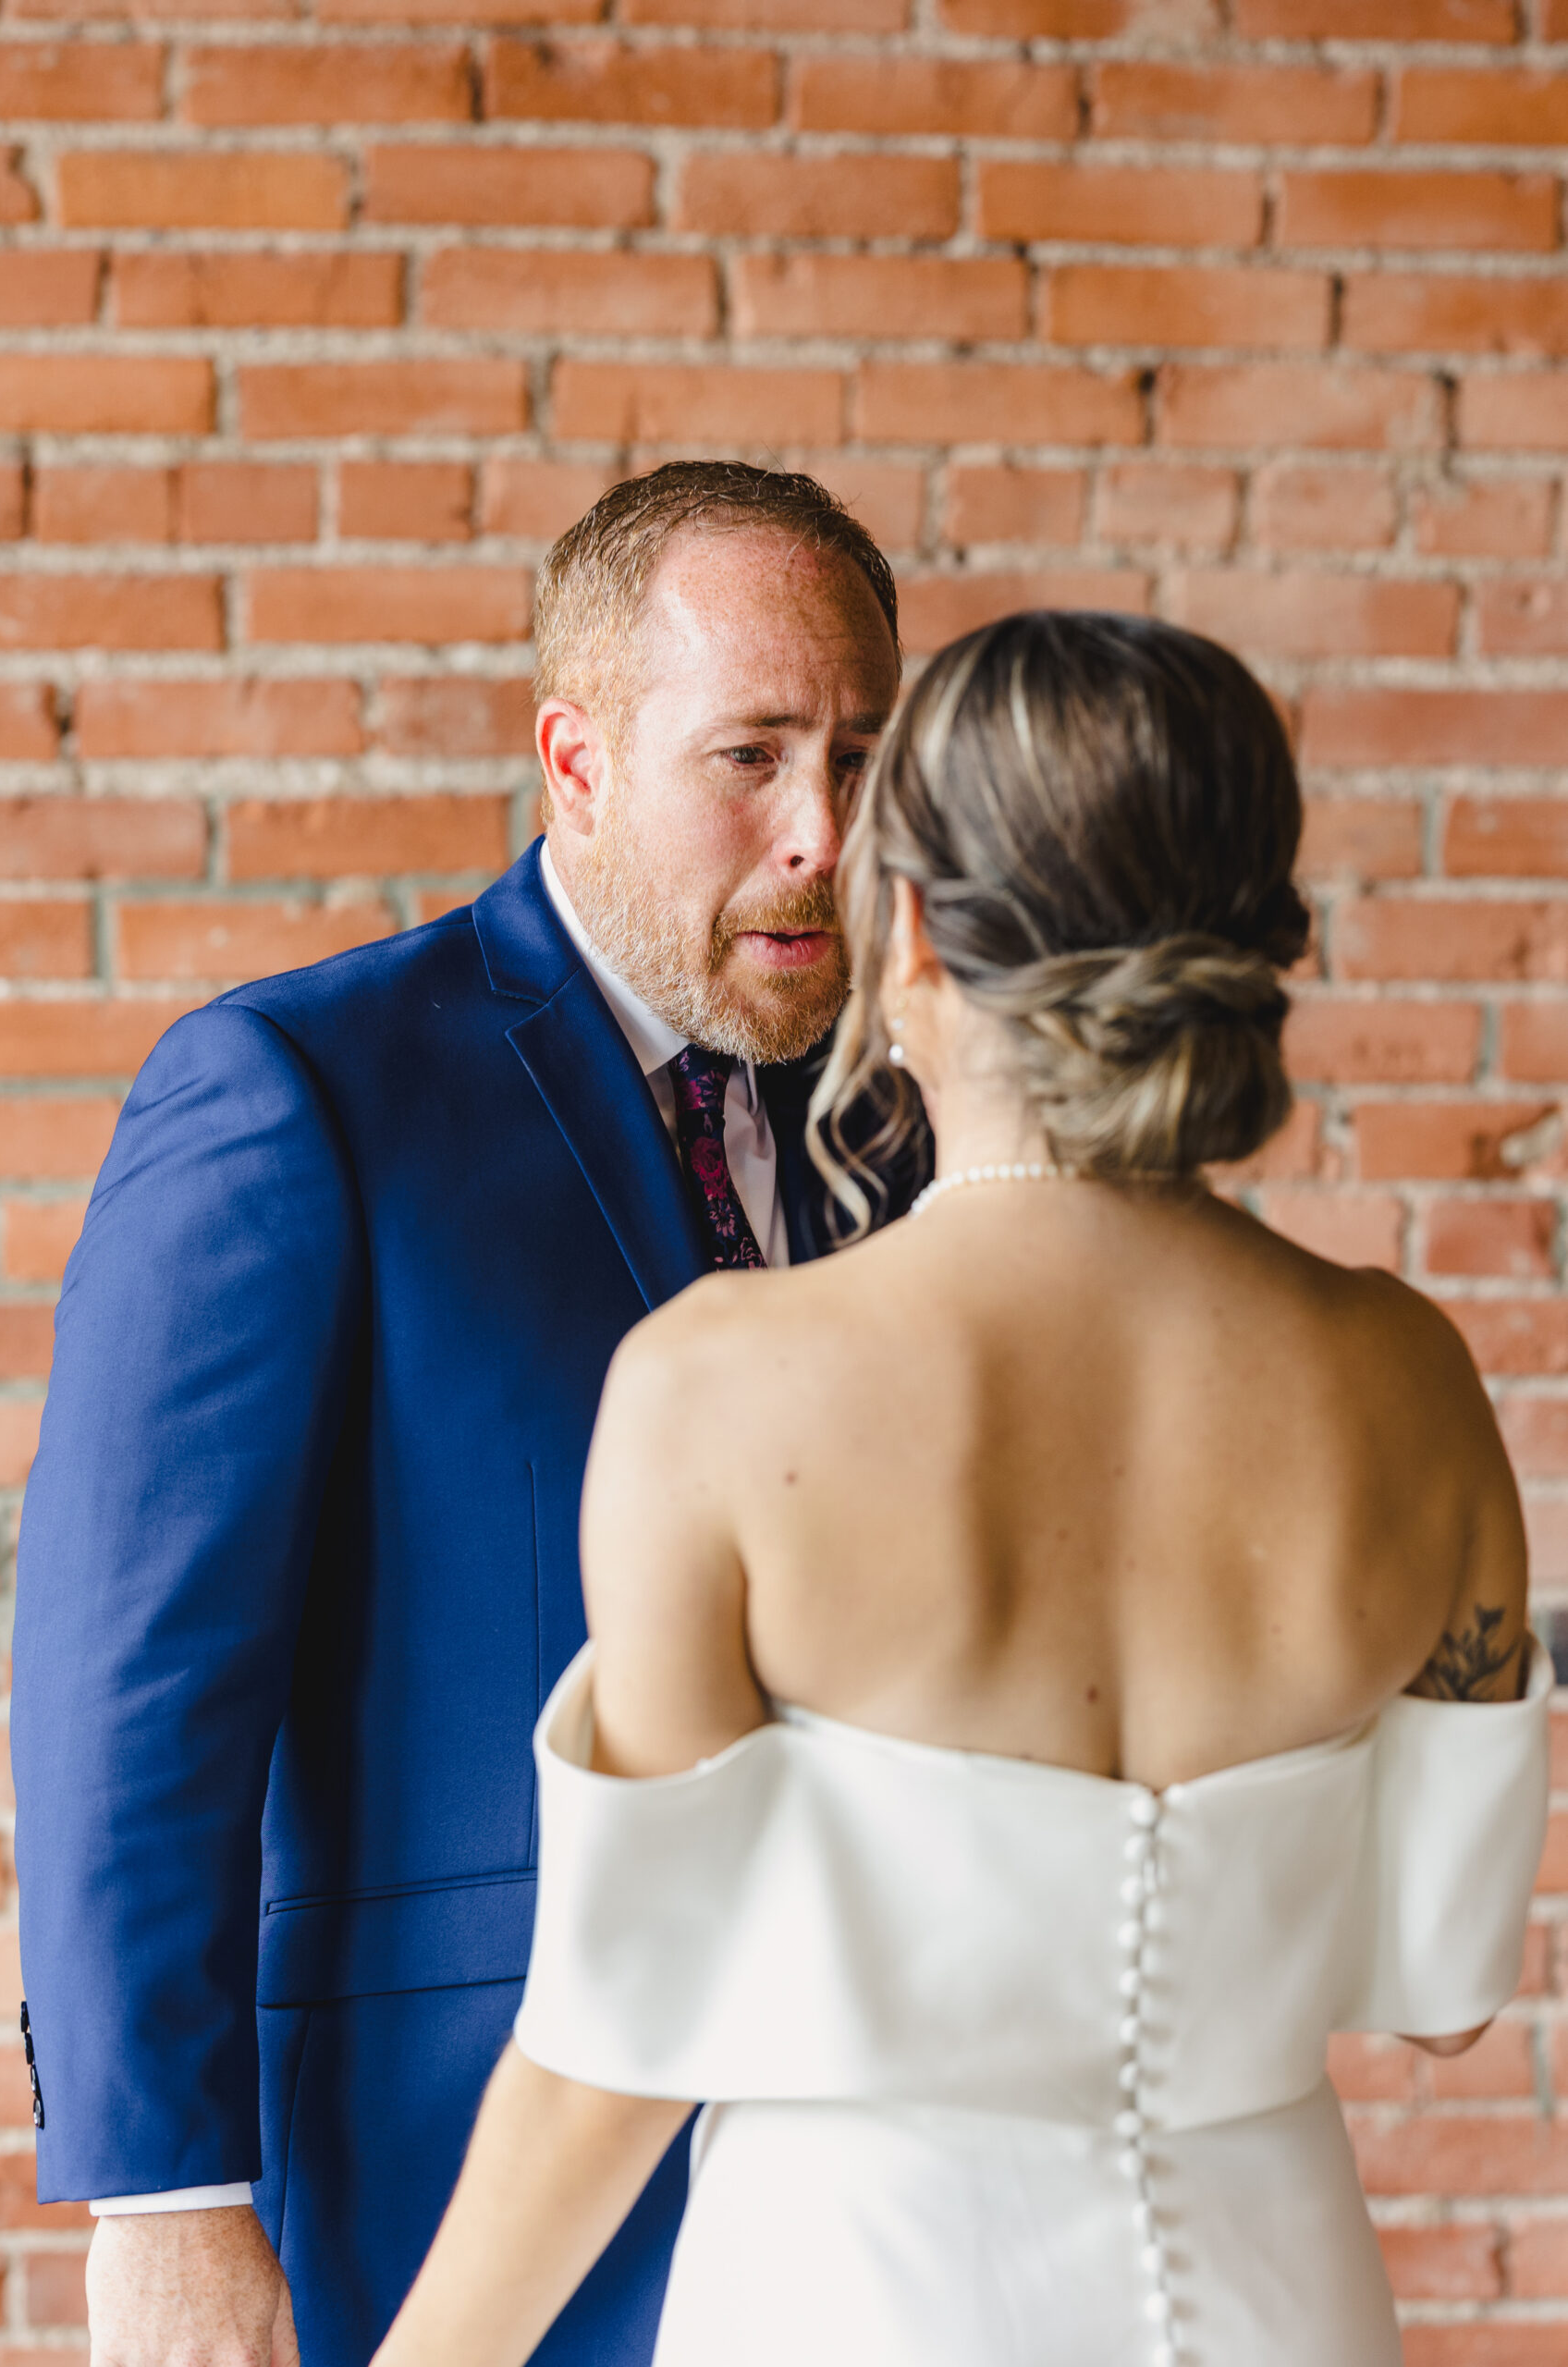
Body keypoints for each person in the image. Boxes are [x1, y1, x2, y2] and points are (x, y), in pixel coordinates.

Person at [375, 611, 1550, 2367]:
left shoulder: (721, 1390)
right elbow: (1446, 1995)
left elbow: (616, 2053)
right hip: (1282, 2309)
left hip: (856, 2303)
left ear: (907, 925)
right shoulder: (1412, 1383)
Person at [10, 462, 911, 2367]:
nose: (820, 830)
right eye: (748, 755)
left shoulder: (923, 1127)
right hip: (449, 2197)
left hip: (880, 2186)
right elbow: (133, 1680)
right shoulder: (298, 1093)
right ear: (574, 761)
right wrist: (165, 2202)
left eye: (857, 751)